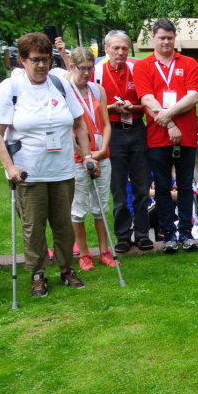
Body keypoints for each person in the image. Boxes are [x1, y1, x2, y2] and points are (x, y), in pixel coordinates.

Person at [0, 32, 94, 296]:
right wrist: (10, 168)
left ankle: (66, 268)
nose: (42, 66)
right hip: (28, 172)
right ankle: (37, 273)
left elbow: (79, 123)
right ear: (22, 60)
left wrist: (88, 155)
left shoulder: (60, 85)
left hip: (62, 170)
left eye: (46, 60)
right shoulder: (10, 88)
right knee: (33, 227)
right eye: (35, 60)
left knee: (63, 224)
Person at [134, 19, 198, 254]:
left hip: (186, 136)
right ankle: (169, 234)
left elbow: (193, 96)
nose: (166, 42)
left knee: (185, 185)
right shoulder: (143, 66)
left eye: (170, 38)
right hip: (157, 136)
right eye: (161, 37)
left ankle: (186, 232)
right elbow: (146, 99)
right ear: (153, 37)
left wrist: (169, 116)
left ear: (175, 38)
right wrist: (170, 124)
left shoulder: (189, 62)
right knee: (162, 187)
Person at [94, 30, 152, 254]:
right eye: (115, 48)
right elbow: (89, 105)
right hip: (113, 132)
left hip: (136, 129)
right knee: (118, 187)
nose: (120, 52)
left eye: (124, 48)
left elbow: (148, 101)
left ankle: (143, 234)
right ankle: (123, 235)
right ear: (106, 48)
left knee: (142, 185)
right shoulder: (97, 72)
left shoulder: (137, 69)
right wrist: (109, 109)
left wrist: (134, 107)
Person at [62, 46, 117, 270]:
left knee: (102, 205)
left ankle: (104, 250)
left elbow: (105, 123)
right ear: (73, 66)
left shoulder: (97, 90)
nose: (86, 73)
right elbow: (67, 129)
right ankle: (84, 253)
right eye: (82, 69)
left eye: (90, 68)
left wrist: (102, 150)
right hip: (77, 158)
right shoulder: (65, 90)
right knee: (78, 207)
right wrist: (84, 155)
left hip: (101, 154)